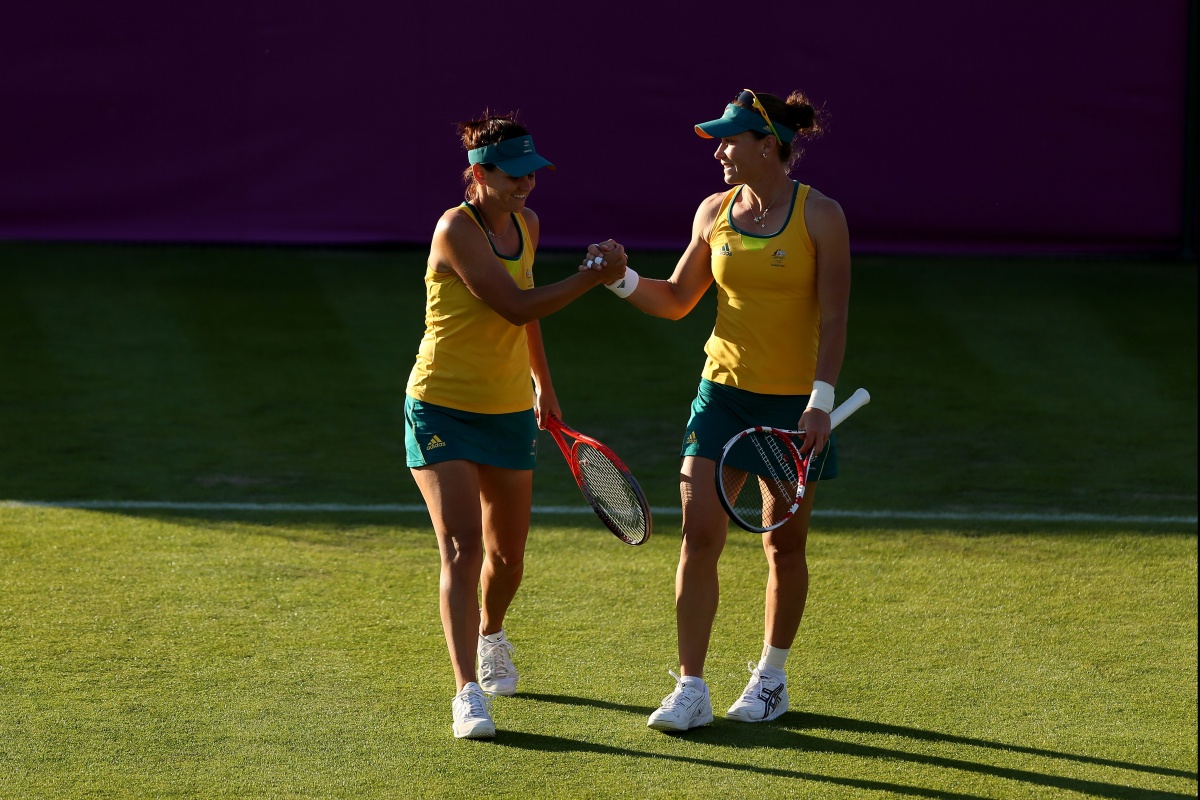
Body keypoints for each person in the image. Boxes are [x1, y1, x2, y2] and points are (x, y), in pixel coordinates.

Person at [588, 89, 850, 731]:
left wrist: (820, 401)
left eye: (730, 141)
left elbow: (836, 316)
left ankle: (771, 678)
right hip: (721, 396)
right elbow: (677, 298)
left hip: (792, 407)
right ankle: (691, 687)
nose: (720, 152)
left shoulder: (822, 216)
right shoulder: (715, 211)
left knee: (783, 546)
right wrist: (618, 279)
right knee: (699, 535)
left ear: (767, 146)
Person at [406, 111, 626, 739]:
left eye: (532, 173)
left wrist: (543, 385)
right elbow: (513, 305)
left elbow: (528, 317)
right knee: (461, 547)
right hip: (442, 407)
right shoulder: (456, 228)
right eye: (514, 175)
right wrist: (592, 277)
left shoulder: (527, 224)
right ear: (480, 175)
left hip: (506, 411)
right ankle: (466, 692)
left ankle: (491, 634)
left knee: (507, 556)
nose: (526, 184)